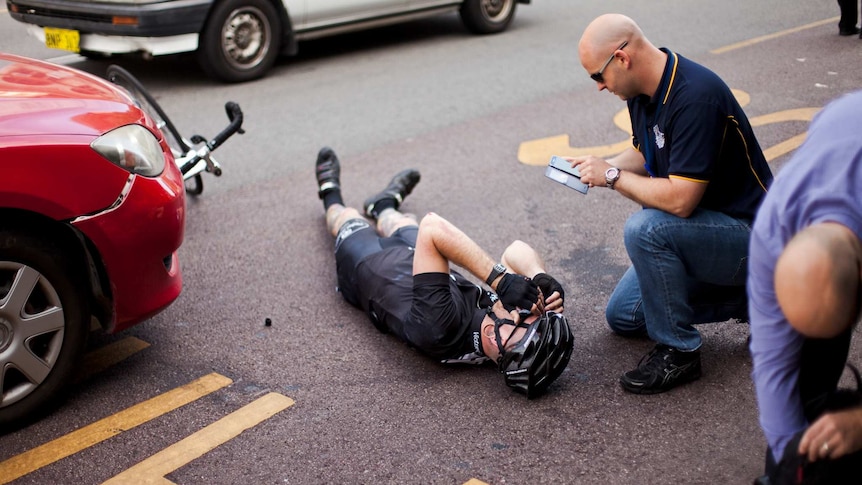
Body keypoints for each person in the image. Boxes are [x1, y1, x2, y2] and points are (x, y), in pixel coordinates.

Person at [570, 14, 774, 395]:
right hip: (707, 230)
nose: (599, 87)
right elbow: (643, 148)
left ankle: (680, 351)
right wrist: (604, 164)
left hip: (753, 236)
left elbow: (681, 201)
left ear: (622, 58)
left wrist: (612, 178)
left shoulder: (696, 96)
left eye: (598, 76)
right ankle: (759, 299)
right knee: (625, 317)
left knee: (646, 228)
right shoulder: (639, 92)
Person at [314, 146, 574, 397]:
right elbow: (515, 250)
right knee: (400, 221)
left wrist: (501, 280)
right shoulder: (503, 326)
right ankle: (383, 204)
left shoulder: (440, 326)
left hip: (372, 267)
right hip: (427, 259)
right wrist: (538, 275)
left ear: (495, 339)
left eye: (533, 325)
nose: (535, 315)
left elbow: (433, 227)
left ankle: (329, 192)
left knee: (345, 217)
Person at [748, 90, 862, 483]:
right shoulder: (771, 232)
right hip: (843, 118)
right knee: (805, 374)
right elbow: (772, 365)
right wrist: (791, 466)